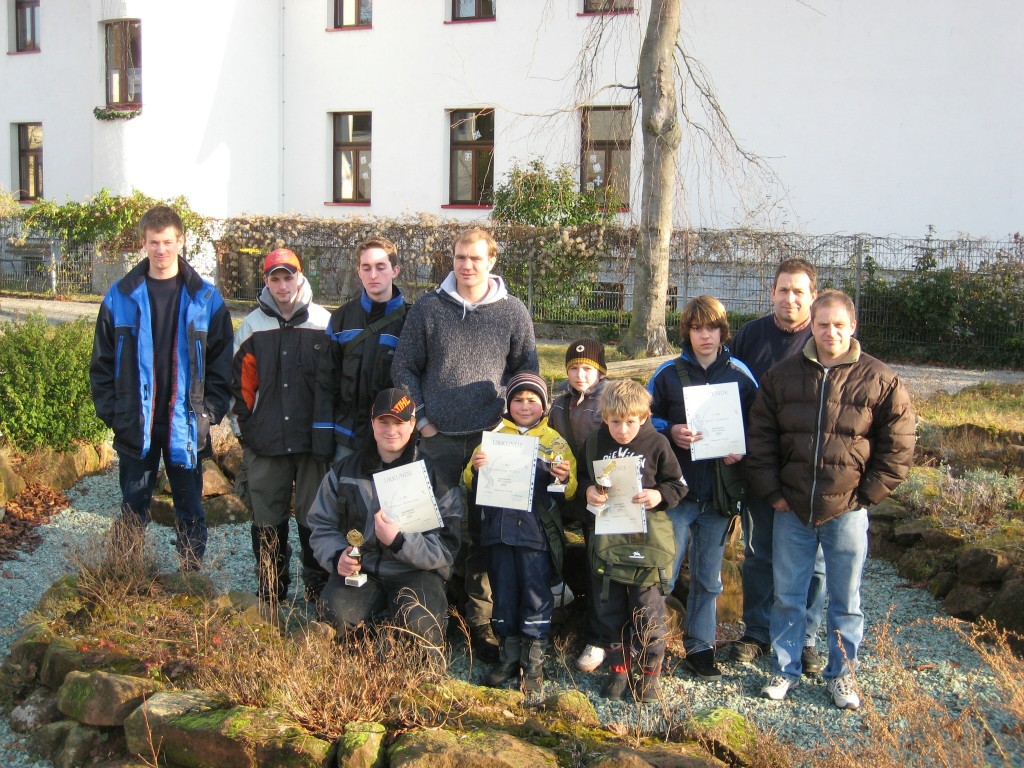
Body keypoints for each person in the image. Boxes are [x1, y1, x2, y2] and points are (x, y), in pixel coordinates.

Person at [746, 290, 915, 709]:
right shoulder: (782, 376)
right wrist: (773, 493)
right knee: (788, 594)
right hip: (792, 509)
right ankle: (784, 670)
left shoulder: (881, 380)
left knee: (846, 598)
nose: (830, 332)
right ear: (811, 324)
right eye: (823, 324)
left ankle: (842, 675)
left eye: (839, 324)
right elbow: (761, 439)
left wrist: (867, 495)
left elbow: (899, 444)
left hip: (847, 511)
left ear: (852, 326)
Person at [392, 227, 538, 661]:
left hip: (489, 445)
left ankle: (478, 622)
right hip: (436, 440)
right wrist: (422, 422)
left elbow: (525, 373)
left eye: (475, 258)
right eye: (459, 257)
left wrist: (509, 427)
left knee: (481, 533)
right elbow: (404, 368)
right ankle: (432, 614)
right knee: (430, 525)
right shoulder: (428, 308)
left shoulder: (512, 313)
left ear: (491, 261)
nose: (466, 265)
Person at [89, 205, 233, 570]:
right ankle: (125, 577)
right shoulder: (120, 296)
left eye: (168, 241)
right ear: (144, 242)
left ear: (180, 241)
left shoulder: (206, 299)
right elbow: (102, 364)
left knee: (190, 507)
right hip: (136, 422)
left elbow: (221, 367)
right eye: (154, 242)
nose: (161, 250)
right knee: (133, 504)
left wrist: (209, 414)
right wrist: (114, 414)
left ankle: (190, 577)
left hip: (186, 424)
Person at [648, 295, 758, 682]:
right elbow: (643, 418)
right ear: (687, 332)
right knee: (664, 572)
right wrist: (670, 429)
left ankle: (700, 648)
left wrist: (740, 451)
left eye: (711, 328)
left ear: (722, 331)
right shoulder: (667, 373)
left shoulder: (741, 375)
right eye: (696, 328)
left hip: (718, 495)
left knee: (709, 579)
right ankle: (651, 646)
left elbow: (759, 426)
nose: (704, 336)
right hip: (677, 494)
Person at [307, 388, 463, 649]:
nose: (391, 430)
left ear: (413, 424)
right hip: (363, 571)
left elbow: (446, 549)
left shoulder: (436, 478)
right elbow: (321, 524)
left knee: (422, 627)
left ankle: (395, 638)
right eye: (384, 422)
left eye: (399, 422)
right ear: (372, 423)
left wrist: (400, 542)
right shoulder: (343, 472)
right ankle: (375, 640)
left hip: (417, 572)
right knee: (334, 614)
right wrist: (337, 557)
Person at [730, 258, 827, 673]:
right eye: (783, 290)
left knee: (814, 561)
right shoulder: (750, 336)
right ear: (772, 293)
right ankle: (756, 630)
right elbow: (725, 392)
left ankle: (805, 638)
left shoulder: (824, 338)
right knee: (759, 552)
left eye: (799, 291)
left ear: (813, 297)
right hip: (759, 465)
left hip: (810, 471)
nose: (790, 298)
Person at [463, 373, 577, 691]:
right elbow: (468, 481)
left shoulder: (555, 441)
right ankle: (508, 656)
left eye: (532, 400)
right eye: (517, 400)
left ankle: (533, 664)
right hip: (498, 532)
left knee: (535, 595)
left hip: (535, 534)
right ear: (508, 404)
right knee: (504, 594)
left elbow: (569, 491)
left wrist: (563, 477)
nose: (524, 406)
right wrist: (476, 466)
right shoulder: (494, 435)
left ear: (543, 406)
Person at [231, 248, 331, 603]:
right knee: (267, 520)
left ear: (300, 277)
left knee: (314, 518)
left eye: (288, 276)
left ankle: (317, 590)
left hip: (311, 444)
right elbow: (240, 388)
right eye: (275, 278)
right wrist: (246, 431)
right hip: (266, 441)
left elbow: (333, 384)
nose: (282, 284)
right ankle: (272, 589)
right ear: (266, 282)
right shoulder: (252, 326)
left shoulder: (323, 322)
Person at [580, 380, 686, 702]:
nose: (622, 430)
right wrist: (588, 491)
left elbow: (678, 485)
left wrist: (658, 494)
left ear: (643, 417)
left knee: (648, 609)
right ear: (604, 417)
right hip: (609, 541)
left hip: (645, 541)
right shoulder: (595, 442)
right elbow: (585, 478)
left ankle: (650, 674)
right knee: (608, 608)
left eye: (630, 422)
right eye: (615, 422)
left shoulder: (657, 443)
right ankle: (618, 671)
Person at [312, 237, 408, 462]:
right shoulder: (341, 318)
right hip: (347, 438)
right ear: (359, 272)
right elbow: (326, 382)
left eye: (380, 267)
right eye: (367, 268)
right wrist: (323, 438)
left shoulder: (410, 321)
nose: (373, 275)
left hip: (393, 440)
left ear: (395, 271)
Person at [547, 338, 611, 672]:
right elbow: (549, 446)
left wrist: (591, 487)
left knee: (598, 562)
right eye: (573, 368)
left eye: (587, 369)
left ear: (600, 372)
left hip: (602, 494)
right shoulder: (557, 405)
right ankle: (553, 600)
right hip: (566, 490)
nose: (580, 375)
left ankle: (598, 637)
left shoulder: (610, 402)